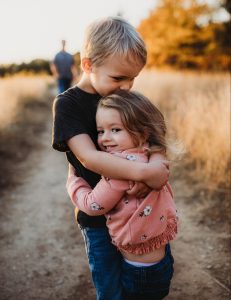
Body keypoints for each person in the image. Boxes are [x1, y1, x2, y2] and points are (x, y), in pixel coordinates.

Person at [52, 16, 169, 300]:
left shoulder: (126, 99)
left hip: (140, 212)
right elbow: (90, 157)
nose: (127, 86)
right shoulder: (68, 104)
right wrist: (141, 173)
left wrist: (157, 163)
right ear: (88, 65)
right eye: (118, 78)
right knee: (110, 285)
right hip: (98, 219)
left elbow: (155, 133)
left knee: (147, 278)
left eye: (133, 78)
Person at [66, 90, 178, 300]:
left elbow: (92, 205)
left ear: (142, 132)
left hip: (139, 272)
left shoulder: (120, 170)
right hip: (161, 259)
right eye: (100, 131)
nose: (105, 138)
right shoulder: (149, 155)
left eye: (115, 130)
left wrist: (74, 181)